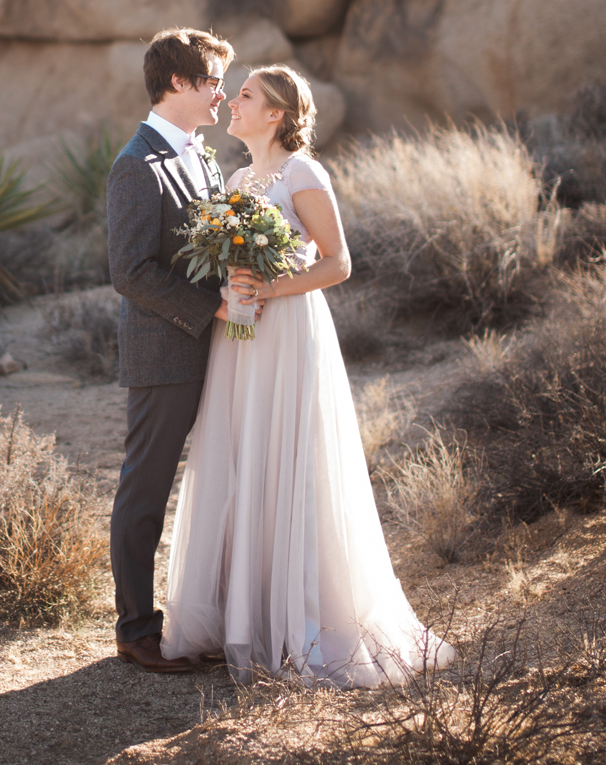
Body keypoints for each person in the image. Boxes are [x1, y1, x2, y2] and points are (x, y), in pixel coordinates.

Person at [158, 64, 454, 684]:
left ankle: (303, 619)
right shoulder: (239, 177)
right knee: (242, 454)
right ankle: (246, 615)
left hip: (289, 332)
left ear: (277, 114)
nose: (230, 102)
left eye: (244, 96)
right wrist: (233, 284)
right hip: (240, 337)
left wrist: (272, 286)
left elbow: (339, 262)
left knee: (290, 456)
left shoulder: (303, 174)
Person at [106, 26, 253, 674]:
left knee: (223, 484)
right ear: (177, 84)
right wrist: (213, 307)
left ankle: (216, 614)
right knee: (147, 491)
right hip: (166, 356)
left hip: (221, 349)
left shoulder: (203, 156)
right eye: (212, 81)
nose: (222, 94)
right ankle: (137, 629)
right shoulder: (136, 165)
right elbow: (130, 271)